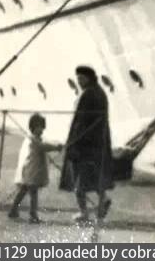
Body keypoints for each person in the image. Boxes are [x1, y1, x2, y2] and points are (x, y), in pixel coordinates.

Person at [60, 66, 113, 224]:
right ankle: (103, 200)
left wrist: (72, 143)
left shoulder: (87, 94)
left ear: (89, 78)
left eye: (82, 79)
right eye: (78, 79)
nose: (79, 82)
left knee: (78, 181)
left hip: (83, 145)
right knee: (94, 177)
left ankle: (84, 212)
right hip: (98, 142)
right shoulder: (100, 92)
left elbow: (80, 122)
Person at [8, 113, 63, 224]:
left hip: (29, 170)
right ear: (33, 127)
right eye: (39, 127)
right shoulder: (33, 140)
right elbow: (43, 146)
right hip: (31, 171)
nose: (41, 129)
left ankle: (13, 210)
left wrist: (55, 146)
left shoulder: (33, 138)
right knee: (33, 193)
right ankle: (33, 215)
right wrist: (56, 147)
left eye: (42, 127)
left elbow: (43, 145)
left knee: (23, 190)